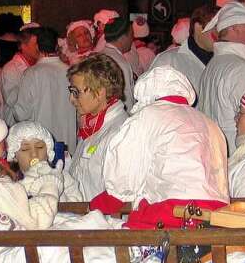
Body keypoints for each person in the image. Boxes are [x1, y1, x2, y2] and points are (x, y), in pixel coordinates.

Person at [95, 66, 229, 229]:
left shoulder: (147, 117)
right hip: (216, 218)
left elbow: (123, 178)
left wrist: (97, 206)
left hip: (170, 216)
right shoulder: (208, 122)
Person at [197, 2, 245, 153]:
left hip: (218, 158)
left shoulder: (212, 66)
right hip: (240, 160)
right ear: (235, 28)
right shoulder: (241, 70)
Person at [65, 53, 129, 200]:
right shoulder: (91, 125)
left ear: (99, 92)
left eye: (76, 92)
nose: (71, 99)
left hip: (101, 221)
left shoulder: (119, 134)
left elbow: (119, 198)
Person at [12, 27, 77, 152]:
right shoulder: (71, 72)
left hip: (41, 147)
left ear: (37, 47)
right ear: (56, 46)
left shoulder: (31, 74)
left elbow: (21, 114)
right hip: (68, 145)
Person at [7, 120, 83, 202]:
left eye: (39, 147)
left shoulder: (62, 176)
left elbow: (77, 202)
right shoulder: (10, 183)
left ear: (48, 152)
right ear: (14, 156)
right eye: (25, 149)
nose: (34, 154)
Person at [148, 5, 217, 92]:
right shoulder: (168, 61)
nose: (220, 33)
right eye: (215, 27)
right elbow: (151, 100)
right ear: (198, 27)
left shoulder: (224, 61)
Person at [0, 25, 40, 123]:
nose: (39, 47)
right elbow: (12, 100)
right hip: (17, 123)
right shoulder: (11, 69)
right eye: (36, 44)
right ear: (23, 45)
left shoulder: (40, 64)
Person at [99, 16, 136, 110]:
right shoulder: (120, 63)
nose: (133, 38)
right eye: (132, 34)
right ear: (123, 37)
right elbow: (127, 102)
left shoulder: (99, 56)